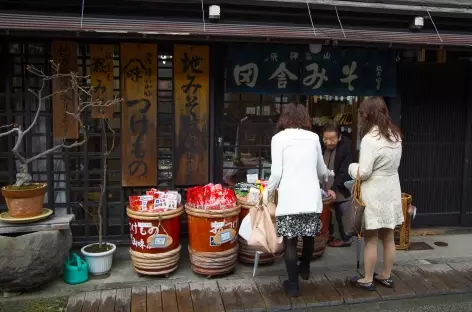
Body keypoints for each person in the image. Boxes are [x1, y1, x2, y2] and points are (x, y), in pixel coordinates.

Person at [266, 103, 332, 297]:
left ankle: (293, 284)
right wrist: (328, 175)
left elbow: (276, 173)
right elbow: (321, 171)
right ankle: (304, 268)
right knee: (309, 235)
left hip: (290, 197)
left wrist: (268, 195)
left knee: (290, 241)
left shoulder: (278, 138)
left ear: (284, 118)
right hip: (311, 196)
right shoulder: (313, 138)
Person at [348, 97, 403, 291]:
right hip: (392, 189)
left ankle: (368, 278)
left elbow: (364, 172)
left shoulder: (370, 139)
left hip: (374, 191)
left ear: (368, 114)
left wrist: (351, 167)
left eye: (363, 114)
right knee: (388, 236)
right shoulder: (395, 135)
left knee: (371, 237)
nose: (361, 117)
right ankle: (386, 275)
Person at [321, 121, 353, 247]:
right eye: (326, 139)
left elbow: (344, 171)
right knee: (325, 212)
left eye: (332, 139)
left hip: (340, 185)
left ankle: (346, 238)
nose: (328, 142)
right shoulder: (320, 145)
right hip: (324, 183)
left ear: (339, 137)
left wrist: (334, 188)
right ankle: (328, 234)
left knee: (342, 211)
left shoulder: (346, 146)